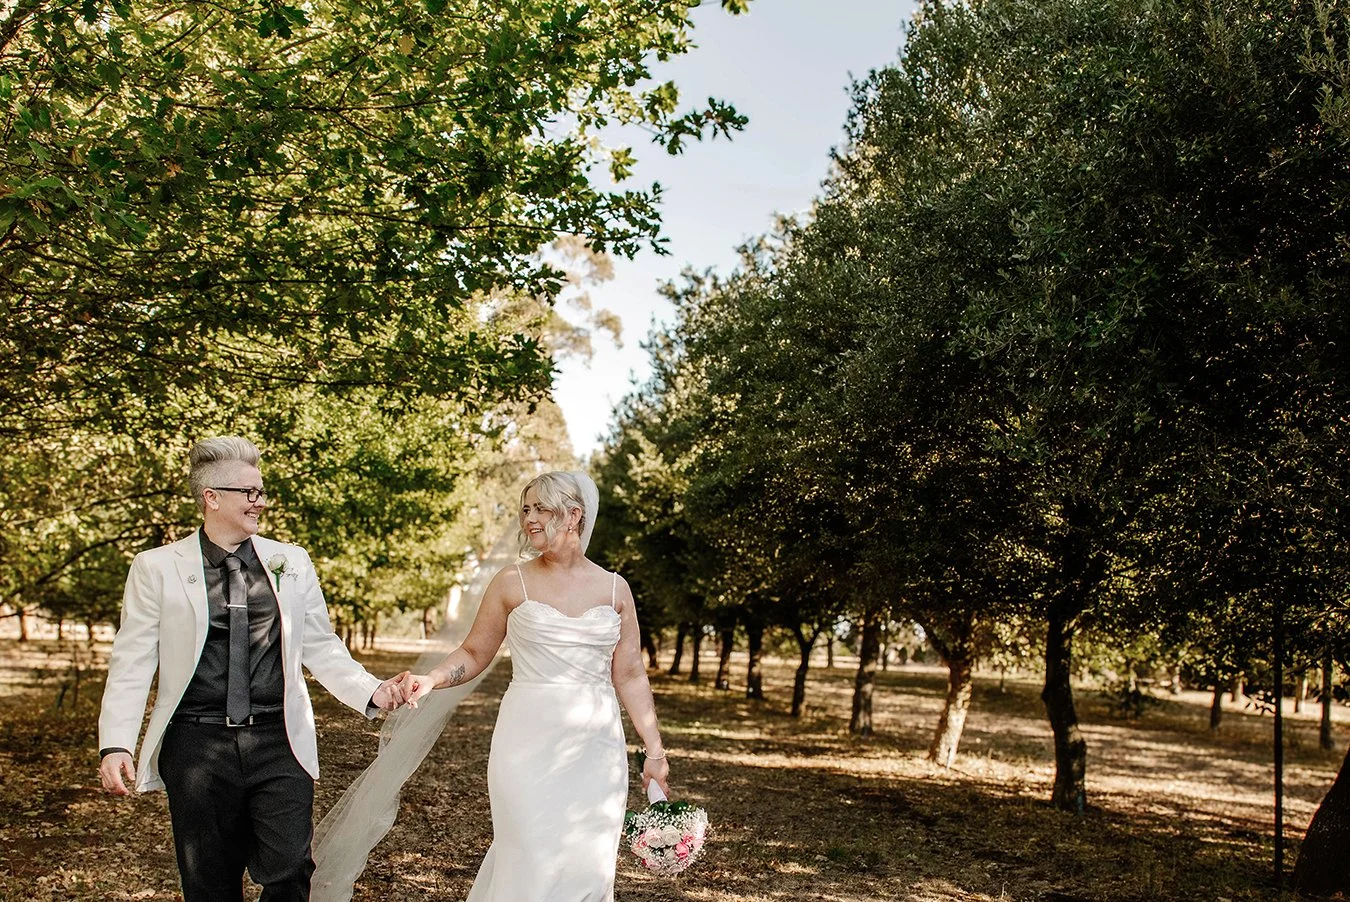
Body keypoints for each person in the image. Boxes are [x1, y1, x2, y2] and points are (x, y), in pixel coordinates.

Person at [97, 436, 409, 902]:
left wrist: (372, 691)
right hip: (196, 746)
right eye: (249, 492)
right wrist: (116, 742)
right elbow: (133, 660)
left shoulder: (291, 561)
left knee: (289, 870)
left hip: (279, 739)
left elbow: (320, 644)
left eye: (261, 491)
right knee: (208, 883)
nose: (259, 502)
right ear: (212, 497)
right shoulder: (156, 567)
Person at [401, 470, 669, 902]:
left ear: (573, 515)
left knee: (588, 865)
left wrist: (654, 751)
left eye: (540, 509)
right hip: (525, 744)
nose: (528, 519)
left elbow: (631, 673)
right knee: (529, 855)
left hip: (597, 752)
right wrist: (431, 678)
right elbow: (473, 653)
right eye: (525, 509)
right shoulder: (512, 582)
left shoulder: (616, 589)